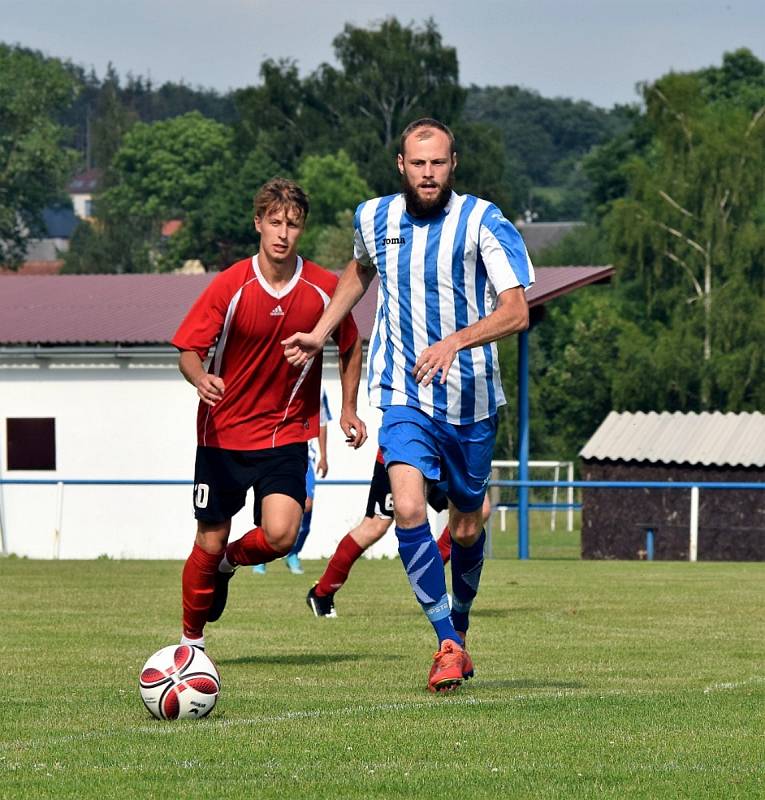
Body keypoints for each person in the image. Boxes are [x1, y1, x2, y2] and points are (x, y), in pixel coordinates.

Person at [283, 118, 534, 692]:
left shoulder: (483, 221)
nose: (428, 173)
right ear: (401, 164)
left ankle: (460, 628)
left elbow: (517, 311)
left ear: (453, 164)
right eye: (418, 163)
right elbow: (358, 271)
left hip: (470, 400)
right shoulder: (373, 217)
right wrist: (322, 330)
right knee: (408, 508)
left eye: (438, 163)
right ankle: (445, 640)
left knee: (468, 527)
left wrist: (454, 341)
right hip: (402, 392)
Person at [172, 177, 366, 651]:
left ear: (302, 230)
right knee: (209, 538)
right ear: (258, 223)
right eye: (275, 222)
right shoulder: (230, 286)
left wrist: (346, 409)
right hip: (222, 436)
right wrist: (200, 378)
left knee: (281, 534)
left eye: (293, 224)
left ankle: (230, 564)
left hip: (284, 434)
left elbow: (350, 344)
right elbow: (188, 350)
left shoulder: (323, 288)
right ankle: (190, 645)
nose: (283, 233)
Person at [306, 448, 491, 618]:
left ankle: (426, 578)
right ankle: (322, 592)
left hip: (447, 450)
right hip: (405, 450)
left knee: (478, 511)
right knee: (376, 525)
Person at [254, 389, 331, 575]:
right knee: (268, 506)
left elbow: (321, 423)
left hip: (305, 456)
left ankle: (293, 553)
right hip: (272, 451)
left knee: (307, 504)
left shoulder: (318, 389)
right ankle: (260, 556)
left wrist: (324, 456)